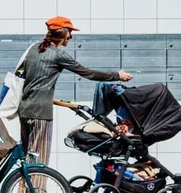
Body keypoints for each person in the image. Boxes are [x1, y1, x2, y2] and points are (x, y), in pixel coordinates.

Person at [14, 16, 132, 165]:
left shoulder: (33, 49)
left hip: (24, 109)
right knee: (39, 158)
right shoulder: (58, 54)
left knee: (27, 156)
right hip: (41, 112)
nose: (70, 36)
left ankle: (23, 187)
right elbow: (88, 73)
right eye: (70, 32)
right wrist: (117, 76)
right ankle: (37, 188)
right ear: (63, 33)